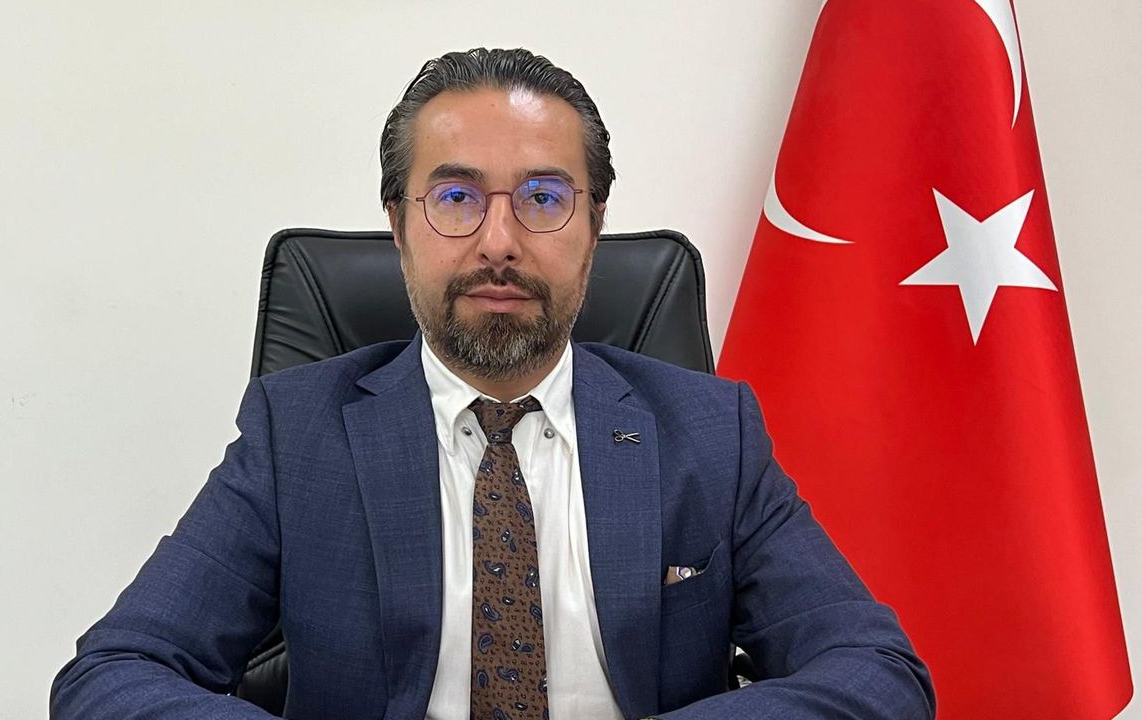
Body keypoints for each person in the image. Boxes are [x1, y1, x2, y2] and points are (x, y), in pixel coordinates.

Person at [51, 48, 934, 720]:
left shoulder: (709, 431)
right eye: (456, 198)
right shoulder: (300, 434)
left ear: (593, 226)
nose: (500, 242)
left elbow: (878, 673)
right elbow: (113, 676)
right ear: (399, 225)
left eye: (544, 198)